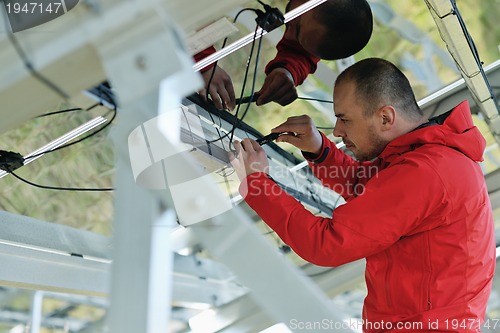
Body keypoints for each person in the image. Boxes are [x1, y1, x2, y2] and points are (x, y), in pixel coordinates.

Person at [231, 58, 495, 332]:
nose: (337, 131)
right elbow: (369, 189)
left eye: (345, 119)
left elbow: (324, 243)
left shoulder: (427, 171)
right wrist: (319, 150)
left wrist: (256, 182)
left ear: (385, 117)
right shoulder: (427, 158)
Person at [194, 0, 373, 110]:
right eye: (296, 26)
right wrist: (203, 59)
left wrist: (287, 70)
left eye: (299, 36)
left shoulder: (312, 15)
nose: (287, 32)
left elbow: (302, 52)